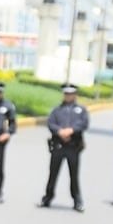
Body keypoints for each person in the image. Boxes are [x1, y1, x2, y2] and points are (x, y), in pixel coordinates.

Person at [39, 83, 90, 212]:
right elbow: (50, 123)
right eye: (66, 94)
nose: (68, 96)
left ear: (75, 95)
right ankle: (48, 198)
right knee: (53, 174)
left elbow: (84, 123)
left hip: (73, 146)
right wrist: (60, 131)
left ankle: (77, 201)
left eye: (71, 94)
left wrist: (71, 131)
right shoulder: (57, 110)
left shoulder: (81, 110)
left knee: (74, 175)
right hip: (58, 146)